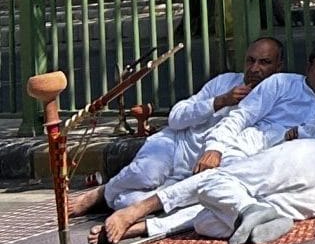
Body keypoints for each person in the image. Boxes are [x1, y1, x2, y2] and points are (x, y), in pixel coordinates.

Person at [96, 42, 315, 244]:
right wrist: (216, 148)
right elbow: (241, 117)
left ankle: (146, 226)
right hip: (242, 150)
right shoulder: (281, 84)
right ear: (309, 67)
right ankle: (134, 210)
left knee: (215, 208)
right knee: (210, 185)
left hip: (277, 166)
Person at [94, 100, 315, 244]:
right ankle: (145, 227)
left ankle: (133, 212)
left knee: (217, 180)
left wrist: (299, 131)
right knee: (208, 220)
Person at [64, 37, 287, 217]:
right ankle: (104, 192)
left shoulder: (278, 99)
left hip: (192, 172)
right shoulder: (225, 82)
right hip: (173, 145)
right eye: (251, 61)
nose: (255, 68)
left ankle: (113, 195)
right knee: (146, 174)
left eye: (264, 62)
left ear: (279, 67)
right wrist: (219, 101)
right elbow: (176, 117)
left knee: (135, 203)